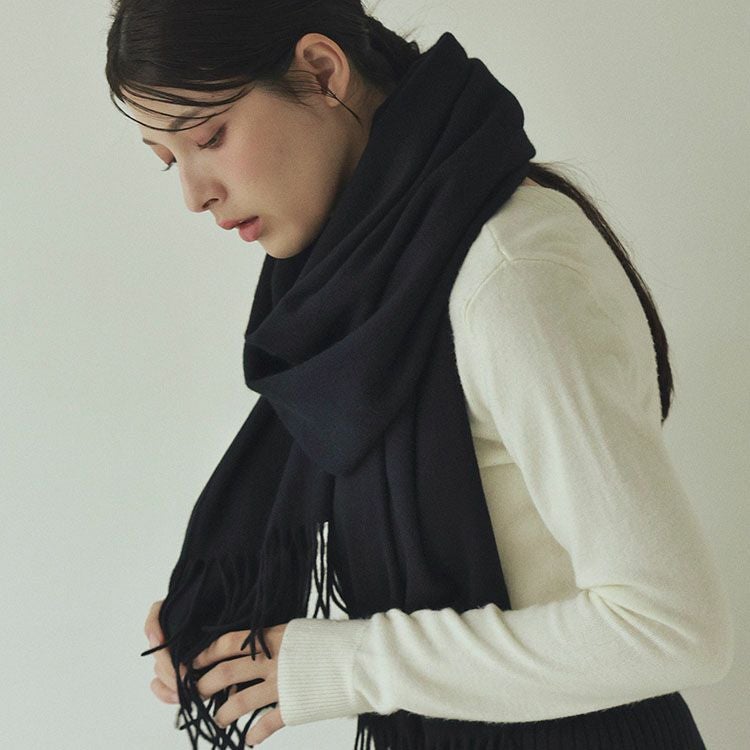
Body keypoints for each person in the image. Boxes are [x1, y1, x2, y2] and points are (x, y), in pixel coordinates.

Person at [106, 2, 733, 748]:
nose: (194, 193)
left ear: (321, 71)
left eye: (209, 137)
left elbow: (672, 626)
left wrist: (351, 664)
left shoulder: (509, 274)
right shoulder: (358, 298)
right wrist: (226, 633)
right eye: (168, 159)